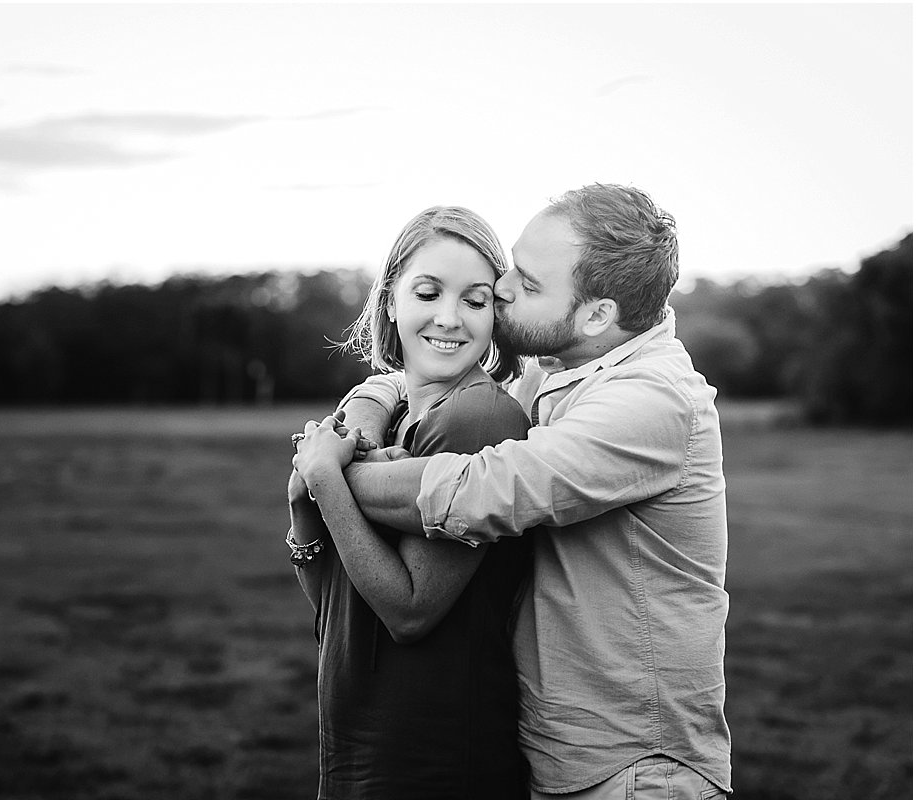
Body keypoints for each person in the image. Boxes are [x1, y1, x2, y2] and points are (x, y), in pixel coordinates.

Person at [321, 184, 733, 799]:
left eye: (530, 284)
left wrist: (328, 470)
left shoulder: (650, 401)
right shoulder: (559, 365)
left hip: (637, 769)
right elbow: (421, 380)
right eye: (514, 263)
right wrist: (368, 410)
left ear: (598, 313)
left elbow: (476, 491)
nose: (505, 287)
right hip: (553, 755)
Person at [287, 206, 533, 799]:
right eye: (428, 292)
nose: (449, 319)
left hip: (435, 755)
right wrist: (302, 504)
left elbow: (409, 612)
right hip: (357, 742)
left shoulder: (478, 416)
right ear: (390, 298)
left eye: (475, 300)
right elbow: (333, 608)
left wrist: (327, 477)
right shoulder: (393, 419)